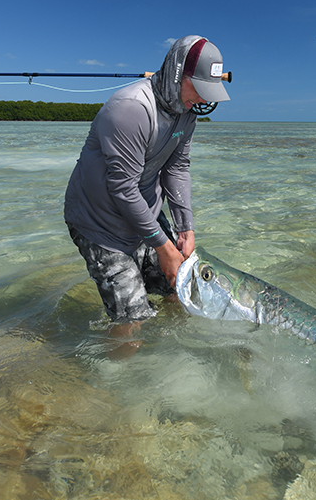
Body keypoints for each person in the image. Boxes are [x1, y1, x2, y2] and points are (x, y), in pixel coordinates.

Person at [64, 35, 229, 324]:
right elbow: (123, 187)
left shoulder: (187, 113)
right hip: (100, 224)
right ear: (178, 74)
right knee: (133, 320)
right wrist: (162, 247)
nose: (203, 99)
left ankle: (174, 358)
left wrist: (185, 228)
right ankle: (122, 359)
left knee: (180, 289)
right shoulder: (131, 108)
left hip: (145, 214)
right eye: (200, 89)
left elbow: (177, 168)